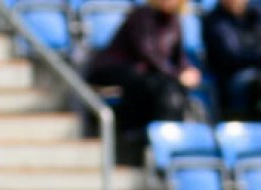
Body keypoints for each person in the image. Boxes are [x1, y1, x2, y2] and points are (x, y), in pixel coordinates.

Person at [85, 0, 203, 136]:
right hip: (118, 71)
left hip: (148, 76)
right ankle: (149, 135)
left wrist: (187, 70)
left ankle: (168, 140)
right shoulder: (141, 16)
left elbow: (178, 56)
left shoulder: (174, 21)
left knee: (170, 88)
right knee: (162, 86)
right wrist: (177, 75)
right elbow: (148, 53)